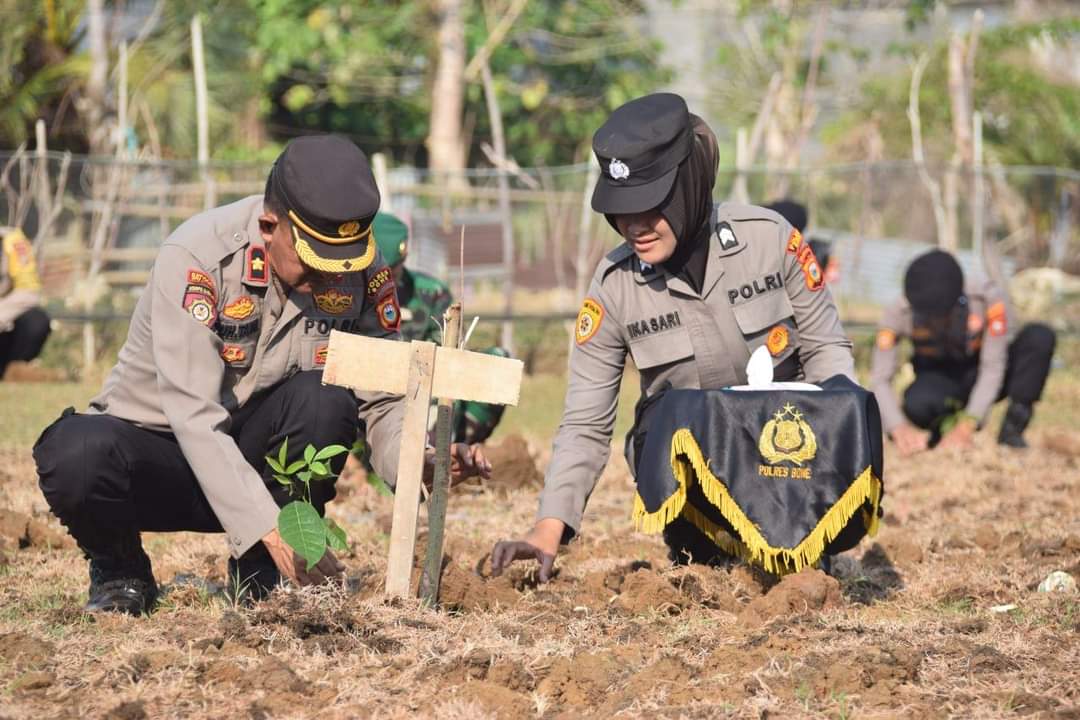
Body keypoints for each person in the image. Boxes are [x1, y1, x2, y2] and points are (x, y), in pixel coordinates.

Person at [34, 135, 490, 615]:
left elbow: (383, 396)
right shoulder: (198, 257)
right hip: (160, 458)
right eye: (315, 261)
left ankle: (261, 576)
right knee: (76, 452)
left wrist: (417, 463)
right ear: (270, 227)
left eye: (342, 261)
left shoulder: (359, 267)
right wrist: (267, 527)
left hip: (261, 460)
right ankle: (121, 572)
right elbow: (192, 414)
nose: (331, 275)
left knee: (325, 399)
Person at [491, 93, 855, 581]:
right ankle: (703, 548)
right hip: (695, 479)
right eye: (622, 210)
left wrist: (839, 447)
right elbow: (586, 423)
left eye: (650, 205)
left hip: (786, 458)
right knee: (666, 419)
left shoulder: (769, 240)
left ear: (687, 186)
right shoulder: (615, 286)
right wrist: (546, 530)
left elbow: (829, 352)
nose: (634, 226)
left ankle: (801, 543)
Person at [870, 249, 1055, 453]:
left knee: (1039, 337)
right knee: (918, 402)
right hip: (940, 380)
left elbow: (993, 367)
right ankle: (941, 432)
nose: (937, 321)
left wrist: (968, 424)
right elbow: (880, 379)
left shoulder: (987, 298)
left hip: (983, 371)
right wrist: (897, 427)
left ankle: (1012, 430)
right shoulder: (897, 313)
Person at [372, 211, 508, 444]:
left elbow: (449, 359)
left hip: (429, 389)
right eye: (387, 272)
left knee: (498, 365)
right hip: (377, 396)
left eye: (398, 268)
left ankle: (450, 451)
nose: (395, 277)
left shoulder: (431, 292)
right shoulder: (354, 296)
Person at [0, 227, 51, 379]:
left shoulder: (7, 243)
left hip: (22, 293)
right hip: (32, 292)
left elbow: (8, 277)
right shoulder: (18, 238)